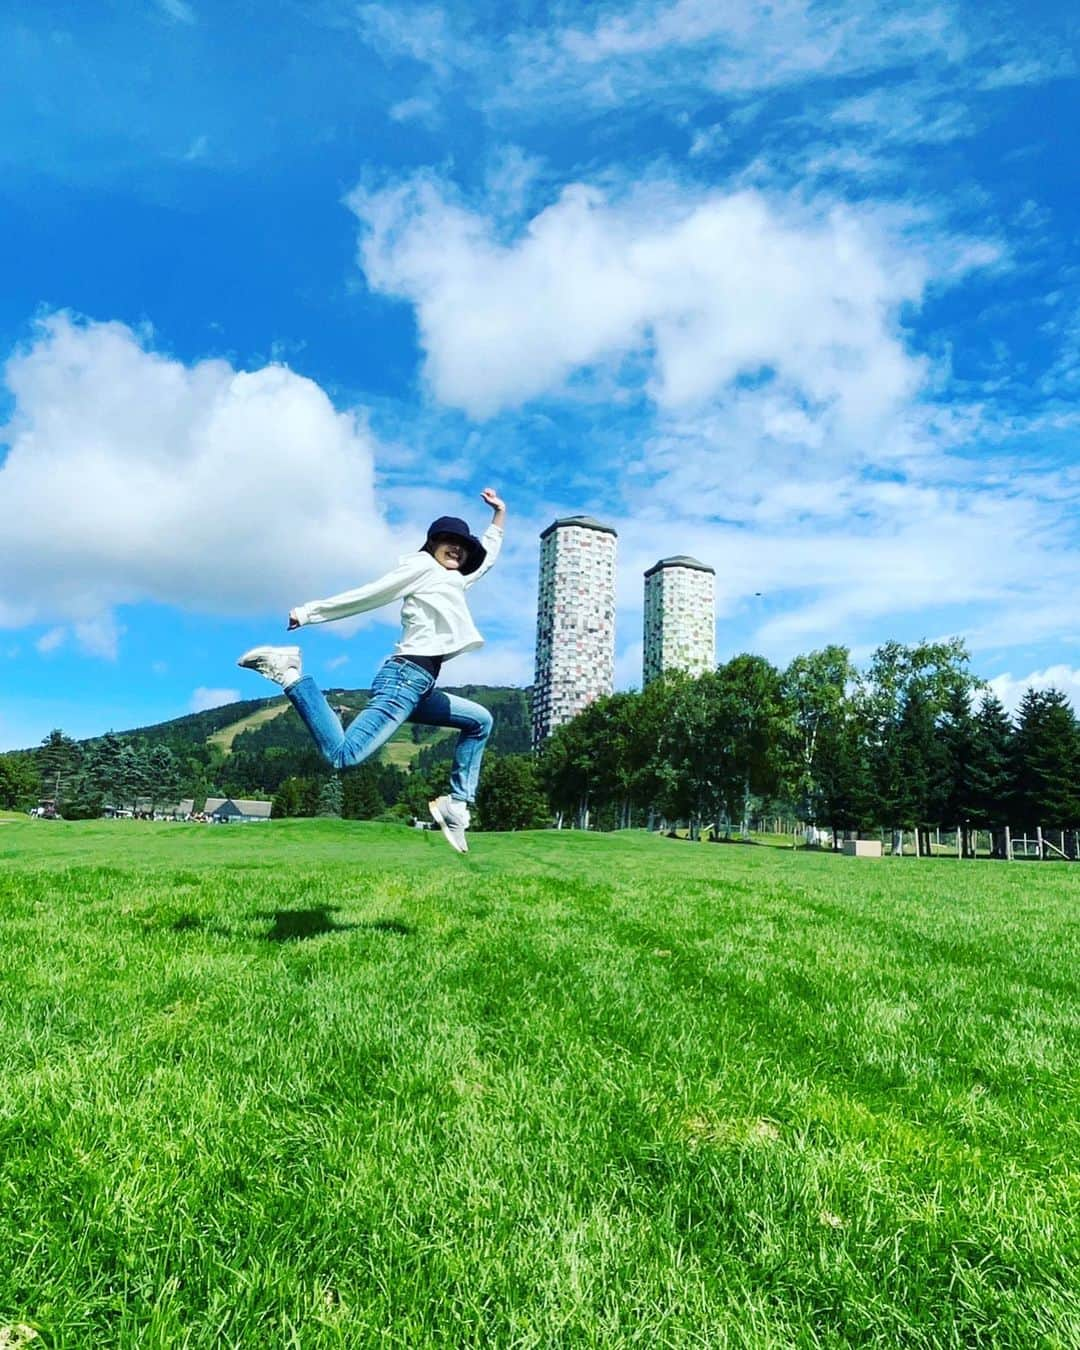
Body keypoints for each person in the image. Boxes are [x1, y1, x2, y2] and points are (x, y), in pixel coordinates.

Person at [237, 488, 507, 854]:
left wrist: (498, 517)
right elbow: (371, 593)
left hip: (420, 688)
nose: (457, 549)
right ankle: (291, 674)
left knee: (480, 721)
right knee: (342, 755)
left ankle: (456, 806)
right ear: (432, 543)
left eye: (463, 545)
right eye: (449, 541)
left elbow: (486, 558)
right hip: (403, 680)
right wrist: (309, 612)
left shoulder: (453, 579)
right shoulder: (421, 567)